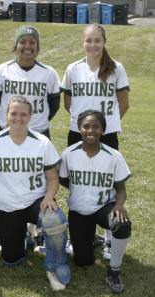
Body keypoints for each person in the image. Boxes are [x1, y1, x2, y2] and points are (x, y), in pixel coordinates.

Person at [0, 96, 70, 291]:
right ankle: (24, 239)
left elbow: (53, 177)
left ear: (30, 116)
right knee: (12, 259)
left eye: (23, 114)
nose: (18, 118)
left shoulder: (42, 142)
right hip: (8, 205)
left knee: (54, 218)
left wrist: (49, 197)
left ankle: (56, 263)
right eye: (14, 113)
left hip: (36, 199)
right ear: (6, 115)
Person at [0, 25, 61, 250]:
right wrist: (10, 124)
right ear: (16, 44)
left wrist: (35, 123)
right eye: (23, 42)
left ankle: (36, 230)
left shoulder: (48, 73)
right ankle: (3, 230)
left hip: (38, 132)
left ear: (37, 46)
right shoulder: (2, 70)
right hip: (8, 133)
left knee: (38, 180)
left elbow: (54, 104)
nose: (27, 46)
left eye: (32, 42)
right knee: (6, 181)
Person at [62, 23, 130, 259]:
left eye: (97, 40)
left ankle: (110, 238)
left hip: (106, 134)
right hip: (77, 132)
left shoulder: (116, 68)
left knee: (107, 182)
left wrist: (104, 127)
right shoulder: (73, 68)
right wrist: (85, 128)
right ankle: (82, 231)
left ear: (104, 42)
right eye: (88, 40)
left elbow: (124, 103)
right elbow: (67, 103)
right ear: (83, 42)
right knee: (78, 180)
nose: (93, 45)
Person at [59, 110, 132, 294]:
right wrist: (81, 190)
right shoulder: (69, 153)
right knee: (83, 261)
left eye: (95, 126)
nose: (90, 130)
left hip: (104, 206)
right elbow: (63, 179)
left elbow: (120, 188)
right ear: (79, 128)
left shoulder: (113, 155)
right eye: (86, 126)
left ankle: (114, 270)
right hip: (78, 210)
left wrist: (118, 205)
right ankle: (92, 238)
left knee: (121, 224)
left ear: (102, 130)